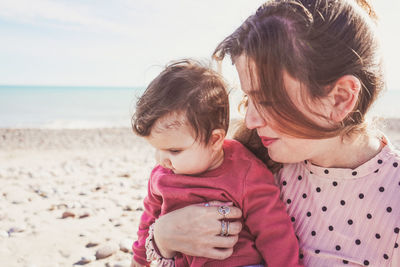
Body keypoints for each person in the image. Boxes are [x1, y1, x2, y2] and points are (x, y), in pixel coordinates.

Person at [142, 0, 400, 266]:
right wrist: (162, 239)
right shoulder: (249, 162)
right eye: (248, 98)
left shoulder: (394, 202)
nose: (250, 120)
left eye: (266, 100)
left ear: (340, 98)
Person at [130, 60, 302, 267]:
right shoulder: (162, 174)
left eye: (174, 150)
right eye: (156, 148)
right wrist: (139, 261)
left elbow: (274, 233)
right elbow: (148, 224)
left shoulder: (245, 172)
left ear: (215, 140)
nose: (161, 160)